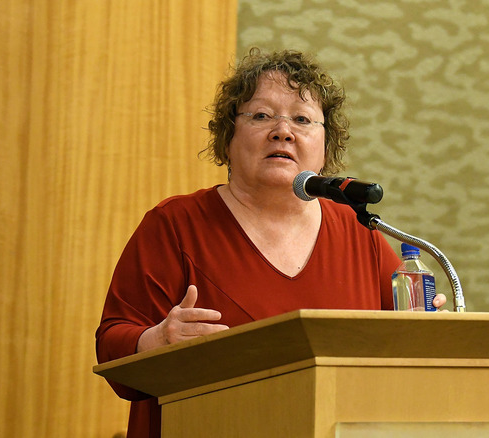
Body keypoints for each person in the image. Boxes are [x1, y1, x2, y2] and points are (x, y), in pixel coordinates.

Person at [95, 48, 447, 438]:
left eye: (301, 119)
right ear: (228, 137)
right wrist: (156, 340)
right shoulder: (175, 225)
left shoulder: (359, 232)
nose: (283, 131)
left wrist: (423, 332)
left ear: (326, 146)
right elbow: (112, 342)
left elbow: (402, 356)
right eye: (262, 116)